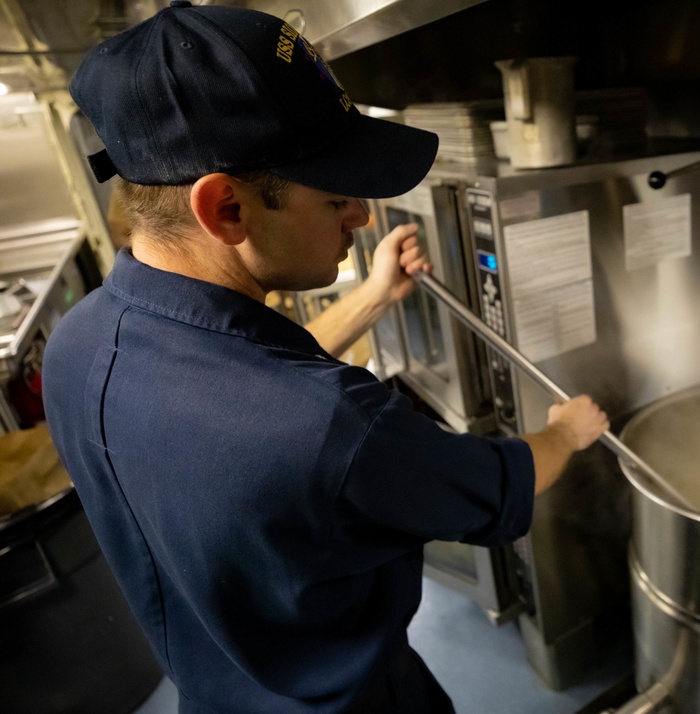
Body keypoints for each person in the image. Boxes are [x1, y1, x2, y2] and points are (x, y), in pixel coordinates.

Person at [40, 3, 609, 713]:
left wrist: (374, 297)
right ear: (227, 210)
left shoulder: (77, 345)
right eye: (337, 195)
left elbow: (238, 377)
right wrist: (566, 431)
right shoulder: (333, 423)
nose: (362, 217)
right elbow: (493, 489)